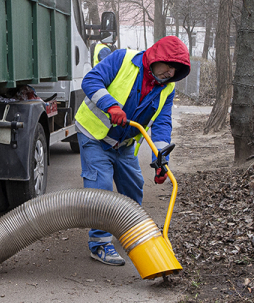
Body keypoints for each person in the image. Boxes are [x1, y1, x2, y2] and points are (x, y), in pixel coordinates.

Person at [74, 34, 190, 265]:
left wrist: (161, 158)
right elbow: (91, 81)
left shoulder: (167, 88)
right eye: (169, 67)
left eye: (175, 71)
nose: (170, 74)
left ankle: (129, 231)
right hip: (95, 134)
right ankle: (99, 243)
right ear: (157, 57)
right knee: (101, 188)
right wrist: (111, 106)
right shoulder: (122, 59)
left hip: (124, 143)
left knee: (133, 187)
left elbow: (162, 123)